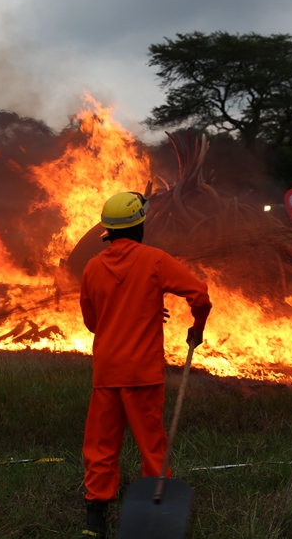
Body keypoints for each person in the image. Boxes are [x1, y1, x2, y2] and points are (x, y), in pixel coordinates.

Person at [78, 192, 212, 538]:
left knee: (100, 445)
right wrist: (195, 329)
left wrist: (136, 310)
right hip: (142, 373)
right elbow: (200, 295)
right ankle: (159, 511)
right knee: (152, 443)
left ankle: (95, 518)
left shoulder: (92, 267)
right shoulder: (154, 260)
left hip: (107, 372)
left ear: (108, 230)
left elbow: (93, 322)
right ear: (139, 226)